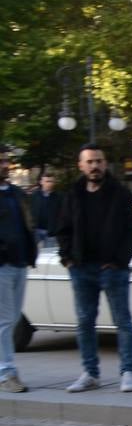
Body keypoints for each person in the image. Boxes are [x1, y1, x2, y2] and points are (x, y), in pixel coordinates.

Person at [52, 144, 132, 393]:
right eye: (90, 162)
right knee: (84, 322)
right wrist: (68, 259)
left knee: (122, 321)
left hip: (113, 269)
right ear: (81, 166)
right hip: (81, 268)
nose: (95, 166)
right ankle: (90, 373)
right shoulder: (72, 195)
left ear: (106, 164)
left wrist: (119, 261)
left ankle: (128, 372)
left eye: (99, 161)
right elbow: (62, 229)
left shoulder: (121, 194)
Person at [0, 151, 38, 393]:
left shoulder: (15, 193)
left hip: (20, 262)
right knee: (4, 321)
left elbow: (27, 224)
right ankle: (6, 373)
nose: (5, 165)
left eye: (5, 160)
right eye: (0, 161)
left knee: (12, 320)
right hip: (1, 265)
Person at [29, 172, 58, 247]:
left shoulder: (59, 197)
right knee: (38, 256)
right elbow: (30, 212)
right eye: (47, 181)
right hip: (37, 232)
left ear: (54, 182)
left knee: (49, 255)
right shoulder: (34, 196)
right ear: (41, 182)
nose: (49, 184)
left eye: (51, 181)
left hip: (51, 233)